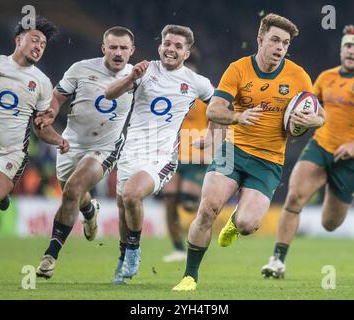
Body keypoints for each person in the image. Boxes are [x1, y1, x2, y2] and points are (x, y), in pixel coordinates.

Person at [172, 13, 326, 291]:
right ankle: (190, 276)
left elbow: (319, 114)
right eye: (275, 40)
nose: (280, 47)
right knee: (207, 209)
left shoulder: (298, 75)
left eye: (286, 43)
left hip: (268, 162)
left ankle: (235, 222)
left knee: (246, 224)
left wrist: (312, 121)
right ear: (260, 40)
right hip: (233, 151)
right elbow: (215, 109)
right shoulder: (239, 69)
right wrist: (237, 118)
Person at [261, 25, 354, 279]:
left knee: (330, 224)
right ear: (341, 49)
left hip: (352, 160)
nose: (351, 51)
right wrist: (302, 121)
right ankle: (277, 260)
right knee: (294, 198)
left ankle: (331, 193)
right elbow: (310, 108)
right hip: (320, 148)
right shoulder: (326, 77)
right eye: (348, 46)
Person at [105, 25, 214, 284]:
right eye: (168, 43)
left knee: (132, 195)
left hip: (162, 155)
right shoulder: (144, 70)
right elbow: (109, 94)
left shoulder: (197, 82)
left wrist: (211, 135)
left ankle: (133, 249)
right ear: (160, 46)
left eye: (178, 46)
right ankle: (123, 258)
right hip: (131, 150)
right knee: (124, 206)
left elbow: (221, 105)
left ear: (187, 53)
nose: (171, 49)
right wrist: (132, 77)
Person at [34, 26, 136, 279]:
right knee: (74, 194)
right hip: (71, 143)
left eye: (123, 48)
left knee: (73, 189)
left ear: (132, 50)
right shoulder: (81, 69)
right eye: (113, 47)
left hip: (105, 146)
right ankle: (89, 211)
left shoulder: (138, 77)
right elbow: (57, 98)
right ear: (103, 48)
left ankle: (50, 255)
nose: (118, 52)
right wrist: (51, 113)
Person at [0, 17, 68, 262]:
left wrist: (59, 140)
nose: (39, 46)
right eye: (35, 40)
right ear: (18, 40)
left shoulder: (42, 82)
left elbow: (41, 127)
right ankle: (2, 193)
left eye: (43, 44)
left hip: (11, 153)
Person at [161, 56, 211, 263]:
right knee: (169, 198)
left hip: (197, 155)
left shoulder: (205, 93)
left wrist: (211, 149)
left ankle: (200, 236)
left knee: (190, 203)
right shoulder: (167, 92)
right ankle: (178, 248)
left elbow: (218, 122)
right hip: (174, 154)